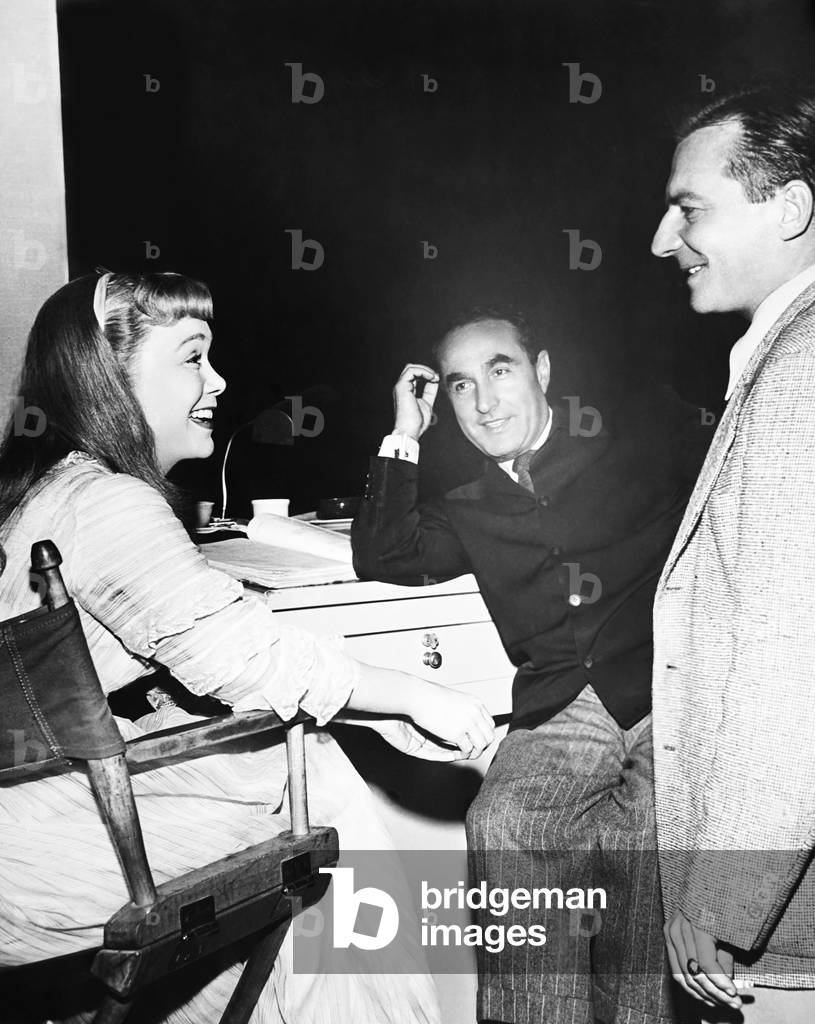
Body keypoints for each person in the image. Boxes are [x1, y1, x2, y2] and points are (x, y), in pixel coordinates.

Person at [0, 271, 496, 1024]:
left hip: (31, 819)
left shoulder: (50, 492)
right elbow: (248, 660)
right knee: (317, 792)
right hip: (46, 857)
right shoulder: (109, 502)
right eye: (192, 357)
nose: (219, 379)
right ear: (111, 378)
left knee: (287, 766)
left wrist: (358, 706)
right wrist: (413, 694)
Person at [352, 310, 712, 1024]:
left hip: (660, 695)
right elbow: (383, 552)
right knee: (502, 819)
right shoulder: (467, 508)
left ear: (542, 372)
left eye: (500, 370)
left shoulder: (636, 451)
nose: (482, 402)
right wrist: (404, 432)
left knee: (643, 832)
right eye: (460, 386)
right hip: (558, 707)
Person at [650, 84, 815, 1022]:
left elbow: (791, 674)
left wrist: (719, 901)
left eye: (689, 209)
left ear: (789, 208)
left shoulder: (799, 376)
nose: (660, 241)